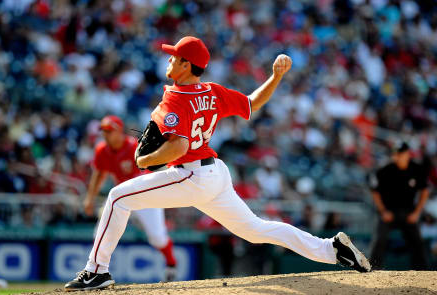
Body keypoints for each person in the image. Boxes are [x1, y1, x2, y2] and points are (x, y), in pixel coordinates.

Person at [65, 36, 371, 291]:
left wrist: (146, 159)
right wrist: (275, 77)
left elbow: (179, 146)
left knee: (117, 197)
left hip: (192, 174)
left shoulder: (175, 99)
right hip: (215, 175)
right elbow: (252, 103)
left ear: (186, 65)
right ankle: (332, 249)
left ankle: (96, 270)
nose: (169, 60)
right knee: (255, 229)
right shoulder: (212, 91)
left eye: (174, 57)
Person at [82, 115, 177, 281]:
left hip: (146, 195)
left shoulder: (135, 146)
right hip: (122, 196)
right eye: (104, 131)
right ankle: (95, 271)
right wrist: (90, 198)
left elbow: (142, 176)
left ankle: (171, 264)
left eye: (109, 131)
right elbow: (99, 174)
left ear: (119, 131)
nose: (105, 135)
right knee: (100, 232)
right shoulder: (102, 149)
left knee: (157, 238)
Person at [369, 142, 430, 270]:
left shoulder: (416, 169)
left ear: (408, 154)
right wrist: (383, 211)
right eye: (396, 154)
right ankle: (374, 268)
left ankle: (422, 271)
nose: (398, 157)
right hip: (388, 212)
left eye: (401, 154)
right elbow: (375, 191)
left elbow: (424, 191)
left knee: (417, 241)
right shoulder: (385, 170)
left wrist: (417, 213)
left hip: (409, 212)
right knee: (380, 239)